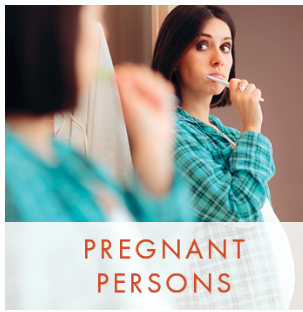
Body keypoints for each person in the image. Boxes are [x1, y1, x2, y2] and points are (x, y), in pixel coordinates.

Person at [5, 5, 194, 222]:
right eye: (94, 17)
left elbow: (155, 247)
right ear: (42, 29)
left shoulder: (71, 162)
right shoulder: (11, 179)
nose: (104, 34)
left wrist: (153, 148)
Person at [152, 5, 276, 222]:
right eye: (202, 45)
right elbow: (238, 211)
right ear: (174, 57)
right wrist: (252, 126)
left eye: (225, 47)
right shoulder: (169, 133)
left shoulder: (231, 135)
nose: (219, 59)